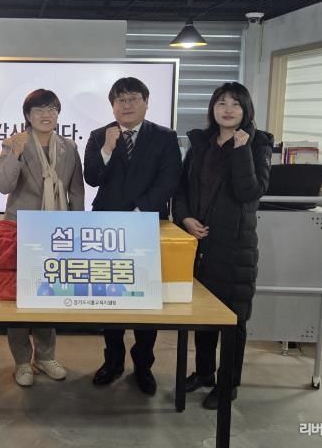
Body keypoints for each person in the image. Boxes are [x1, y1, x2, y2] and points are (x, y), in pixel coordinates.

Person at [172, 82, 272, 410]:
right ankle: (204, 373)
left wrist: (241, 151)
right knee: (202, 315)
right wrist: (185, 218)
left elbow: (250, 193)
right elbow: (182, 188)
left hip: (235, 246)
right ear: (212, 109)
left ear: (246, 110)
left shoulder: (258, 144)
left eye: (235, 104)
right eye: (221, 103)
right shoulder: (201, 144)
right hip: (200, 244)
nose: (227, 110)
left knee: (233, 318)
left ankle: (228, 383)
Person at [84, 76, 181, 395]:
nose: (126, 105)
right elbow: (91, 178)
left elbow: (170, 179)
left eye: (133, 99)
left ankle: (143, 365)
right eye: (120, 100)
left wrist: (140, 211)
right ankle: (113, 361)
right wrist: (107, 149)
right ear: (112, 105)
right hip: (106, 226)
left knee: (146, 297)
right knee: (109, 297)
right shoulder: (100, 135)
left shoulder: (164, 137)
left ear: (146, 102)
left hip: (146, 225)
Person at [0, 89, 85, 387]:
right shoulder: (13, 142)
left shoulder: (69, 147)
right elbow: (3, 185)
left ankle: (45, 356)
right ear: (27, 115)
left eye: (51, 109)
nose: (46, 115)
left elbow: (76, 190)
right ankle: (22, 361)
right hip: (21, 229)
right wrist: (16, 154)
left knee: (49, 295)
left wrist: (76, 227)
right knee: (19, 297)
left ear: (58, 114)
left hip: (55, 231)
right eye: (39, 110)